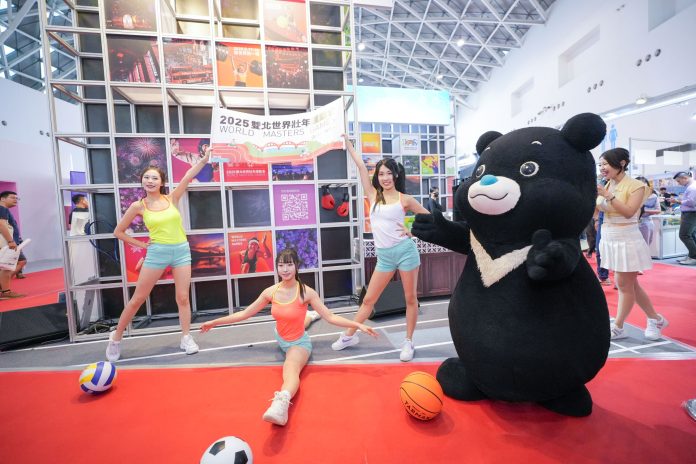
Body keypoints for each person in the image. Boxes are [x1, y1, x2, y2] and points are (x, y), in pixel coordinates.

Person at [200, 248, 376, 426]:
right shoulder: (270, 292)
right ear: (276, 267)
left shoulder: (306, 292)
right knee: (300, 320)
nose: (285, 269)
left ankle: (281, 403)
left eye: (289, 264)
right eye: (281, 265)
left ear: (296, 266)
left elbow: (330, 317)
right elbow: (244, 314)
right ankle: (310, 316)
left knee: (290, 368)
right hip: (280, 335)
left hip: (298, 343)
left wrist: (357, 325)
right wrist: (215, 322)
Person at [105, 148, 213, 361]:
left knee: (183, 297)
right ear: (142, 181)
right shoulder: (138, 206)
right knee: (138, 298)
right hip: (157, 254)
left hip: (181, 251)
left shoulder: (172, 198)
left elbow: (188, 176)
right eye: (146, 177)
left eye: (154, 178)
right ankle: (115, 338)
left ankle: (186, 337)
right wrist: (143, 245)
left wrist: (204, 159)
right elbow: (118, 232)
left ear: (161, 182)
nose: (150, 181)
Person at [331, 135, 430, 362]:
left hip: (405, 252)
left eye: (388, 173)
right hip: (384, 257)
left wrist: (412, 231)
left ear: (396, 175)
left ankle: (408, 341)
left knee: (410, 299)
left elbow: (429, 217)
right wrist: (348, 144)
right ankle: (349, 336)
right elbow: (360, 165)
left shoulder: (405, 199)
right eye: (381, 173)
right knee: (368, 300)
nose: (385, 177)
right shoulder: (373, 194)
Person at [596, 148, 668, 340]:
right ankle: (655, 319)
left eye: (605, 164)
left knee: (623, 284)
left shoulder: (636, 186)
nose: (602, 168)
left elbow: (629, 212)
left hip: (626, 237)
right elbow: (598, 210)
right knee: (631, 285)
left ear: (622, 163)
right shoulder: (606, 183)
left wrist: (607, 195)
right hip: (609, 236)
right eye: (600, 164)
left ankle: (618, 327)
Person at [0, 191, 26, 295]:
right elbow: (1, 225)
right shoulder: (2, 209)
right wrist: (10, 241)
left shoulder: (4, 210)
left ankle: (4, 289)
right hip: (6, 243)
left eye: (16, 198)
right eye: (12, 197)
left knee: (8, 265)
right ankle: (6, 291)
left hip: (8, 242)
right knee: (6, 266)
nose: (15, 200)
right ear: (2, 199)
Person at [671, 171, 696, 265]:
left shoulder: (692, 188)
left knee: (684, 235)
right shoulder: (691, 187)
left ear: (684, 178)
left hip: (690, 213)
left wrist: (678, 201)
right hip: (690, 213)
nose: (679, 183)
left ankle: (693, 256)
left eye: (679, 181)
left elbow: (691, 203)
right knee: (691, 235)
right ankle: (692, 255)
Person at [635, 176, 661, 246]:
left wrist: (644, 210)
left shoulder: (653, 196)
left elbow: (658, 210)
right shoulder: (632, 195)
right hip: (632, 223)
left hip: (646, 222)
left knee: (645, 245)